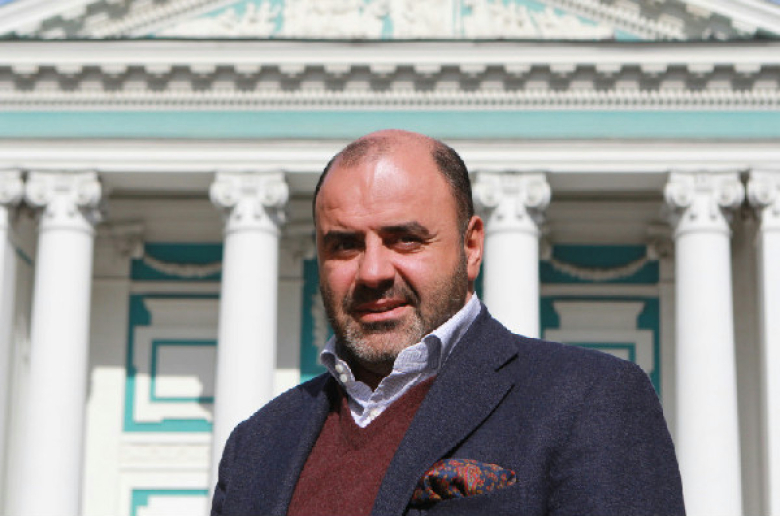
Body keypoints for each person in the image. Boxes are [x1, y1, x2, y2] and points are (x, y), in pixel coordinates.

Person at [211, 129, 685, 516]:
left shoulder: (589, 399)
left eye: (404, 239)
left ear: (470, 246)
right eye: (345, 245)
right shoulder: (257, 445)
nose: (373, 271)